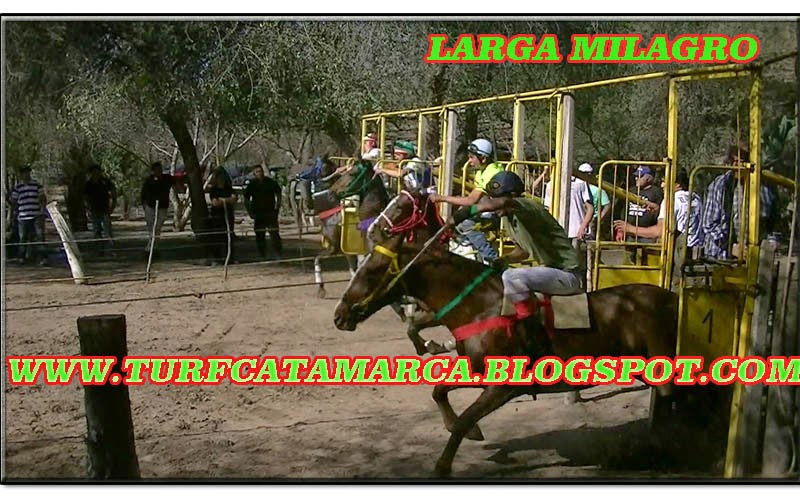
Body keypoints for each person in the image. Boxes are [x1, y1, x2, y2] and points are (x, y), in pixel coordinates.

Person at [448, 170, 582, 319]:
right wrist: (504, 260)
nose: (492, 203)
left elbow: (502, 203)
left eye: (495, 199)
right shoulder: (507, 219)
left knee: (512, 277)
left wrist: (464, 214)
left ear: (512, 196)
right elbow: (523, 250)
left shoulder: (528, 206)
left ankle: (528, 323)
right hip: (550, 272)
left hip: (567, 275)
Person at [429, 138, 504, 263]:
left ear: (483, 158)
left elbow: (471, 201)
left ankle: (490, 258)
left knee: (466, 223)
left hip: (501, 214)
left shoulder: (492, 172)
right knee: (460, 216)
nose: (469, 161)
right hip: (490, 209)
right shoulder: (482, 171)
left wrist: (442, 198)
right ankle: (471, 252)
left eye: (472, 157)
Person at [702, 146, 777, 259]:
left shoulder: (766, 188)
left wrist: (771, 243)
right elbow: (710, 225)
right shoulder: (721, 185)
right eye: (733, 160)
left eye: (742, 161)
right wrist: (731, 247)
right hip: (722, 255)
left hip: (757, 257)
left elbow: (774, 224)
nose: (737, 165)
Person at [614, 169, 704, 250]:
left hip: (678, 252)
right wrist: (658, 209)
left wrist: (630, 229)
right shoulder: (695, 198)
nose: (662, 185)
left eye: (665, 181)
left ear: (677, 184)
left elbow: (660, 231)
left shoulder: (670, 200)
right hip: (695, 249)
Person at [244, 164, 282, 260]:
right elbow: (246, 198)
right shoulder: (252, 185)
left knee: (274, 234)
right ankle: (262, 255)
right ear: (254, 173)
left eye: (260, 171)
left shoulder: (270, 182)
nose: (259, 173)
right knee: (260, 235)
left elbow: (278, 192)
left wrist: (277, 207)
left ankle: (278, 254)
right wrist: (249, 211)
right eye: (257, 172)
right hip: (258, 214)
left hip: (270, 212)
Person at [10, 165, 47, 265]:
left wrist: (42, 211)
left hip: (36, 215)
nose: (26, 174)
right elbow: (14, 201)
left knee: (39, 237)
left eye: (27, 172)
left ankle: (42, 258)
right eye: (24, 172)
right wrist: (15, 213)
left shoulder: (36, 185)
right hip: (23, 216)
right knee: (23, 238)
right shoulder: (18, 187)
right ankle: (21, 257)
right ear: (21, 174)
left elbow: (42, 198)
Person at [206, 167, 238, 265]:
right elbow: (215, 202)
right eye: (219, 177)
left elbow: (234, 199)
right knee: (217, 237)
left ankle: (230, 257)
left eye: (223, 177)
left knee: (229, 237)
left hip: (228, 215)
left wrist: (222, 200)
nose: (221, 179)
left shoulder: (230, 189)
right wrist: (227, 200)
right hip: (217, 217)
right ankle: (217, 259)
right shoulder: (214, 190)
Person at [140, 162, 173, 254]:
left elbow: (178, 181)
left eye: (160, 169)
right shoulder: (149, 181)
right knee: (151, 228)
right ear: (153, 171)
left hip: (162, 207)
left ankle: (151, 248)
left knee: (158, 227)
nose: (158, 171)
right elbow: (143, 194)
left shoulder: (167, 178)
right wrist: (144, 205)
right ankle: (151, 248)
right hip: (150, 207)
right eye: (156, 170)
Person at [84, 163, 117, 252]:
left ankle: (111, 249)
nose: (96, 174)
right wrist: (87, 209)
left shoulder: (105, 182)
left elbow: (113, 192)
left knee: (107, 229)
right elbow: (86, 197)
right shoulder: (89, 184)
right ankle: (98, 249)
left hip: (105, 209)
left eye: (98, 171)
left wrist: (113, 205)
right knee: (96, 229)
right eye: (94, 172)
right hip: (94, 209)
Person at [577, 163, 611, 240]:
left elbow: (607, 205)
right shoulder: (577, 187)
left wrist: (599, 218)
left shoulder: (598, 190)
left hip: (591, 219)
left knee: (588, 240)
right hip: (579, 216)